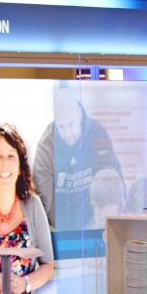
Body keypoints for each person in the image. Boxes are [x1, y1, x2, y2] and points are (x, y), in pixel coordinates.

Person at [0, 124, 55, 294]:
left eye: (11, 156)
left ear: (20, 166)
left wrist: (25, 284)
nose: (5, 163)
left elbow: (48, 265)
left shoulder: (32, 205)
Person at [33, 86, 121, 230]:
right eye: (61, 127)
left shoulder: (98, 133)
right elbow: (43, 205)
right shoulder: (46, 147)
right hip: (59, 228)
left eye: (71, 124)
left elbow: (113, 185)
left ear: (79, 114)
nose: (67, 133)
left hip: (94, 224)